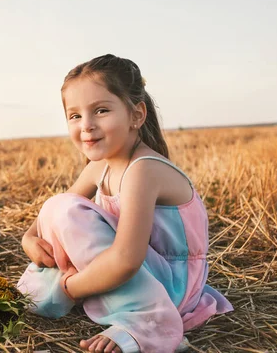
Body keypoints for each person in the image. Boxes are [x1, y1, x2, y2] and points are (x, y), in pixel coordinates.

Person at [18, 54, 233, 353]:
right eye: (75, 115)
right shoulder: (101, 166)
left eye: (101, 110)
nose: (87, 126)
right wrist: (29, 239)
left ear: (136, 115)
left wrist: (71, 288)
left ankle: (148, 322)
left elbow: (126, 260)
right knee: (59, 207)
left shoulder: (143, 169)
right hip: (140, 271)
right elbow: (51, 215)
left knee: (66, 217)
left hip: (170, 287)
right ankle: (94, 290)